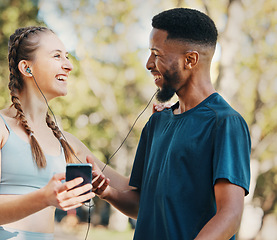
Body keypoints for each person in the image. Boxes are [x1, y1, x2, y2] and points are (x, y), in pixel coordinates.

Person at [89, 8, 251, 240]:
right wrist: (107, 192)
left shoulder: (226, 123)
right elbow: (141, 205)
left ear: (190, 60)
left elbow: (230, 215)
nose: (148, 63)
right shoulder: (157, 122)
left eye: (156, 54)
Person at [0, 26, 124, 240]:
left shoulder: (66, 142)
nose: (68, 66)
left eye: (67, 57)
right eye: (57, 56)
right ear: (27, 68)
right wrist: (45, 198)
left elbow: (129, 187)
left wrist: (162, 121)